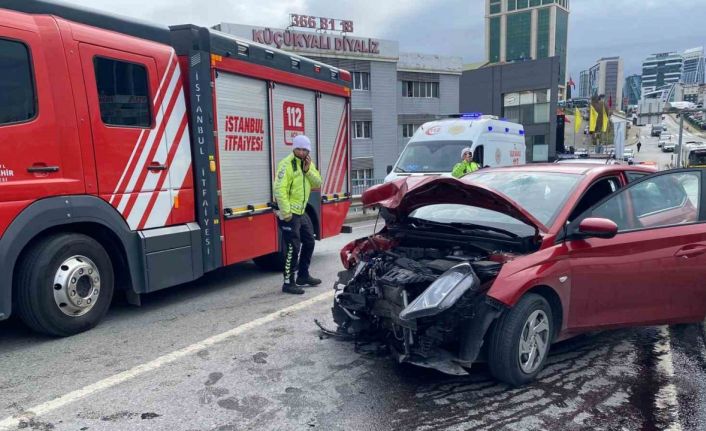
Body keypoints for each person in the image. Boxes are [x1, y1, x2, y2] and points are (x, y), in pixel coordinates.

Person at [274, 135, 323, 295]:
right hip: (289, 214)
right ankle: (288, 282)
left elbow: (318, 182)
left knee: (309, 242)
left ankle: (303, 275)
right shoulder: (286, 164)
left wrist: (308, 170)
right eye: (298, 149)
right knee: (293, 247)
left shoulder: (308, 164)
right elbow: (279, 190)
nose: (301, 152)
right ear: (293, 148)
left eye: (304, 149)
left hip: (301, 212)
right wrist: (286, 213)